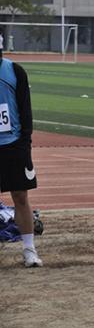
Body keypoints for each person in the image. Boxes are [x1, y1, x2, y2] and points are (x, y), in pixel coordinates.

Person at [0, 48, 42, 267]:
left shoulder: (15, 71)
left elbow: (26, 109)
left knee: (20, 196)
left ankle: (29, 249)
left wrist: (25, 142)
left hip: (14, 144)